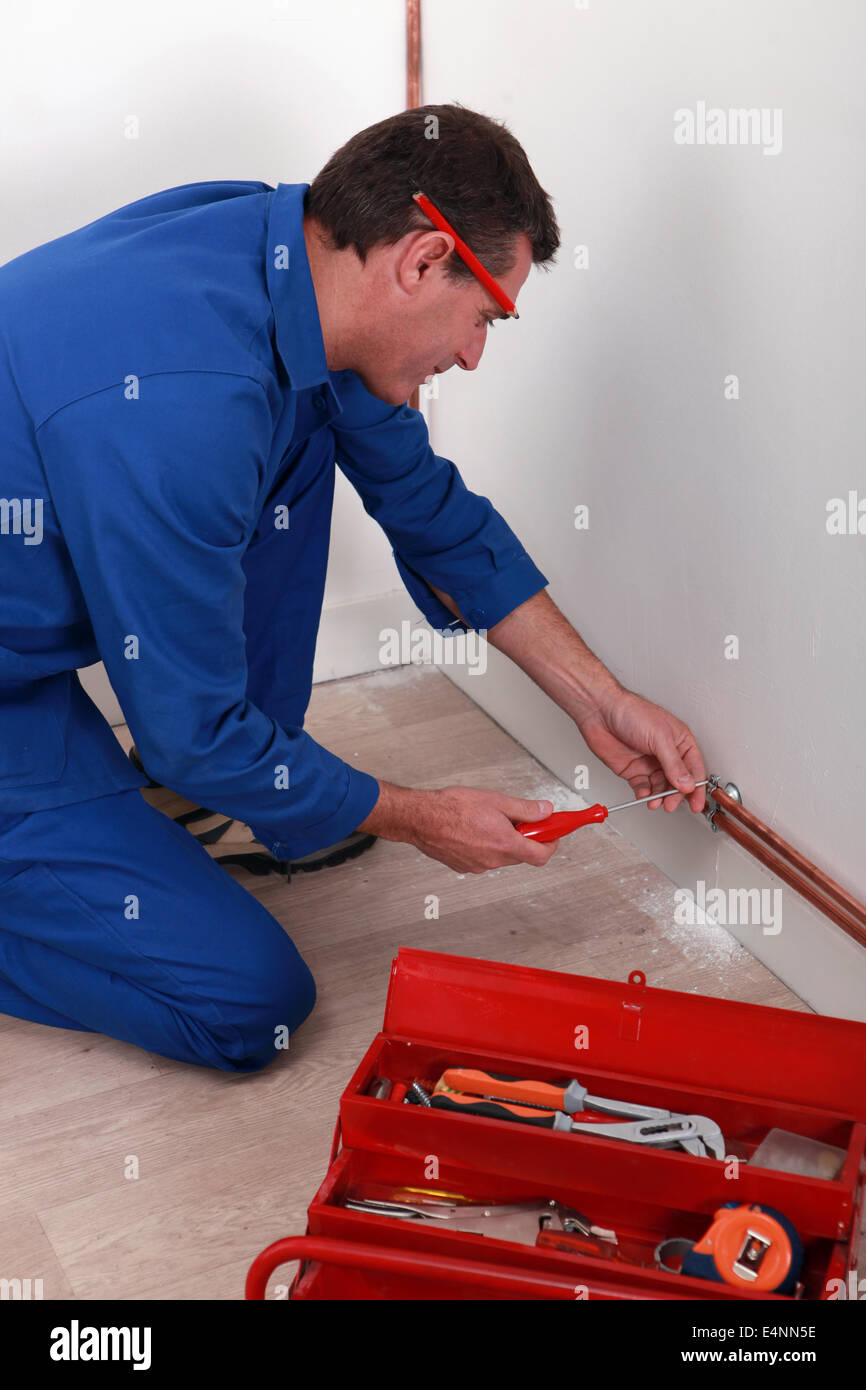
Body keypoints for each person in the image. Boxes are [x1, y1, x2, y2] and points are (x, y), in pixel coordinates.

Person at [0, 105, 705, 1072]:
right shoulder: (181, 409)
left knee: (302, 436)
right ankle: (230, 788)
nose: (472, 354)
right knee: (253, 1005)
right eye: (485, 316)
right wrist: (415, 815)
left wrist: (603, 702)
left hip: (24, 659)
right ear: (421, 261)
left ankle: (247, 793)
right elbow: (188, 727)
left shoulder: (280, 251)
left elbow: (432, 513)